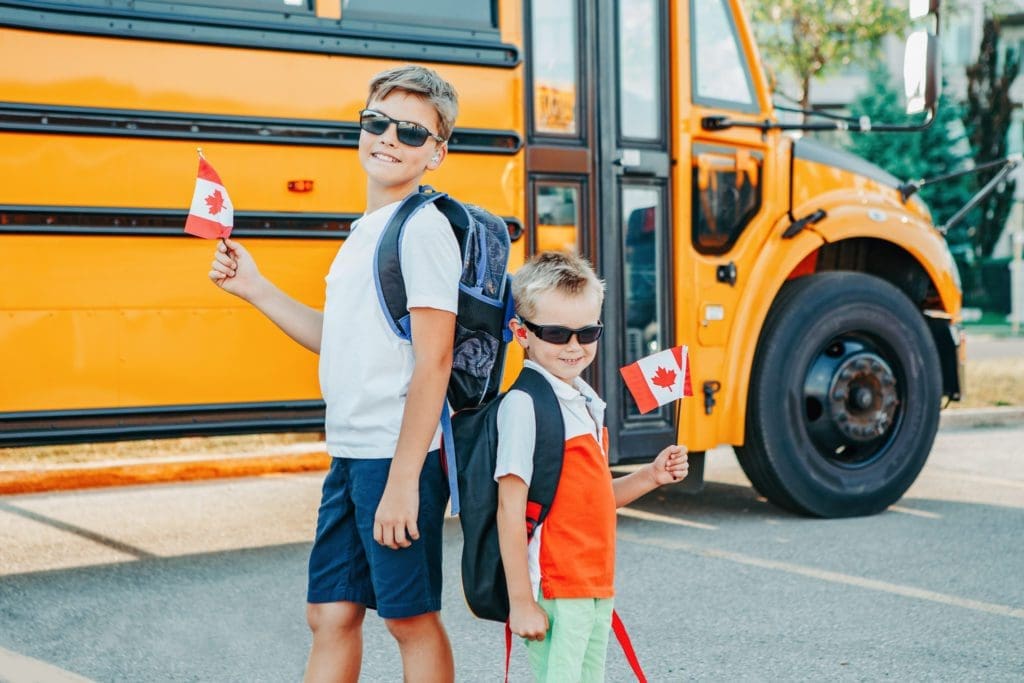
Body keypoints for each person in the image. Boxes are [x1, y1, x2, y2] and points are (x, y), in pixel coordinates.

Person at [208, 64, 460, 683]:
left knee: (409, 619)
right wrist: (257, 289)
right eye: (377, 123)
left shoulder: (422, 229)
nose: (388, 139)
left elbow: (436, 358)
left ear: (437, 153)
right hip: (352, 452)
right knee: (330, 612)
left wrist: (404, 481)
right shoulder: (365, 234)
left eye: (410, 132)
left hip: (397, 457)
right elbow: (339, 341)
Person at [496, 251, 689, 682]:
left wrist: (652, 475)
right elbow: (510, 509)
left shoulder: (584, 402)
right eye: (556, 333)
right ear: (521, 332)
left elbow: (593, 498)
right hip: (556, 587)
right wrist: (521, 601)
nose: (573, 346)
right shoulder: (525, 406)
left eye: (587, 332)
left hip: (594, 584)